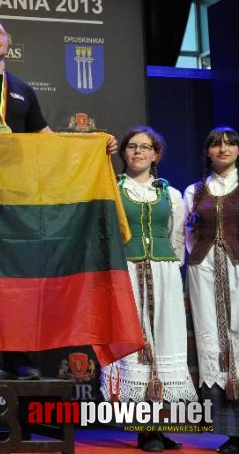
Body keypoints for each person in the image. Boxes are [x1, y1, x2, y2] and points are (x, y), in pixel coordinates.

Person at [0, 14, 117, 380]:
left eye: (0, 32)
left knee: (19, 277)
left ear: (8, 43)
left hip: (18, 199)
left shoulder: (24, 91)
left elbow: (47, 142)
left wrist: (94, 147)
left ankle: (18, 358)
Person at [100, 127, 194, 453]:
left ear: (156, 154)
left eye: (146, 147)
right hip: (126, 272)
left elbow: (177, 238)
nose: (138, 152)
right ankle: (145, 431)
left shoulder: (172, 194)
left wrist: (168, 268)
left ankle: (162, 425)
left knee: (165, 345)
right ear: (124, 153)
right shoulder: (113, 188)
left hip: (164, 273)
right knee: (136, 348)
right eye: (132, 147)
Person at [185, 126, 239, 454]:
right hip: (204, 270)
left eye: (230, 144)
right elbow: (189, 234)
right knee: (212, 339)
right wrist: (201, 258)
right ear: (207, 152)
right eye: (216, 145)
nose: (223, 149)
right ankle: (231, 431)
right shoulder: (195, 190)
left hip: (237, 267)